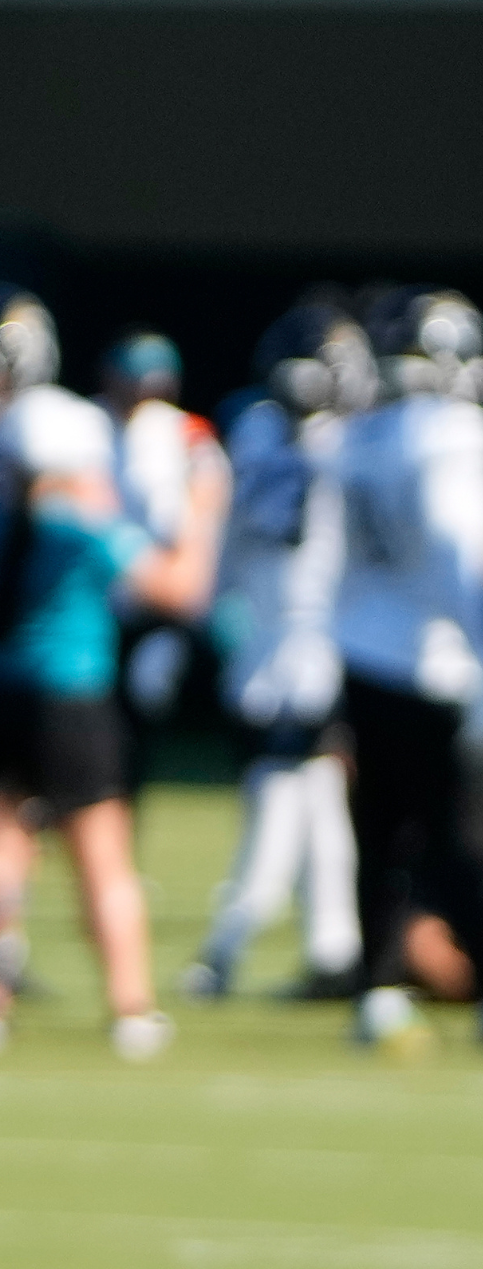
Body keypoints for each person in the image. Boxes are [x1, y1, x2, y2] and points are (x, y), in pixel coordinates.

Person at [0, 285, 228, 1061]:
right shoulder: (85, 528)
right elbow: (180, 589)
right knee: (102, 855)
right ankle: (130, 1005)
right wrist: (204, 505)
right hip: (69, 693)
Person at [182, 303, 369, 1000]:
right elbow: (233, 541)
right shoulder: (278, 434)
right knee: (305, 794)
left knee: (296, 792)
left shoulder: (322, 439)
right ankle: (327, 948)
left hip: (310, 641)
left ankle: (248, 943)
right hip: (282, 640)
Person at [332, 285, 483, 1051]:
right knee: (455, 839)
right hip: (439, 661)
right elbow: (463, 553)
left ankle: (379, 986)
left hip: (364, 654)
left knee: (382, 837)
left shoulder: (360, 435)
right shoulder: (451, 435)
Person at [97, 332, 229, 742]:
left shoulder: (185, 436)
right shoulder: (91, 424)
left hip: (158, 596)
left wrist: (188, 585)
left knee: (141, 705)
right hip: (102, 594)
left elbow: (201, 515)